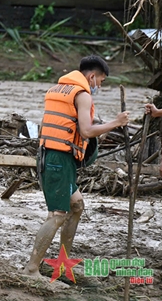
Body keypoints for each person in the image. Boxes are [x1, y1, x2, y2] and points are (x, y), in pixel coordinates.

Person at [24, 56, 130, 278]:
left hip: (53, 156)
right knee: (57, 215)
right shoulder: (82, 95)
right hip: (58, 160)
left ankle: (62, 262)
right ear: (92, 76)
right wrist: (117, 122)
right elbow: (86, 132)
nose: (99, 86)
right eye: (100, 81)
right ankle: (32, 268)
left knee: (76, 205)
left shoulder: (60, 88)